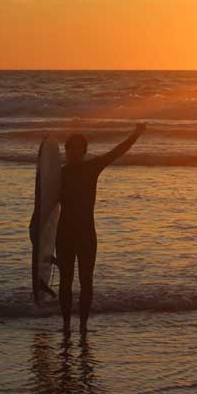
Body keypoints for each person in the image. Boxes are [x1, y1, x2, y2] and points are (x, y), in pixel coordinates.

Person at [57, 123, 146, 335]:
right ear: (66, 150)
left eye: (79, 148)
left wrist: (135, 135)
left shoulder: (91, 168)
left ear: (84, 151)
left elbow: (116, 152)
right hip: (64, 234)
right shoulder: (58, 174)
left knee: (86, 280)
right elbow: (44, 205)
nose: (75, 151)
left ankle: (84, 325)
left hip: (87, 233)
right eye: (71, 148)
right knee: (65, 280)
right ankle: (66, 324)